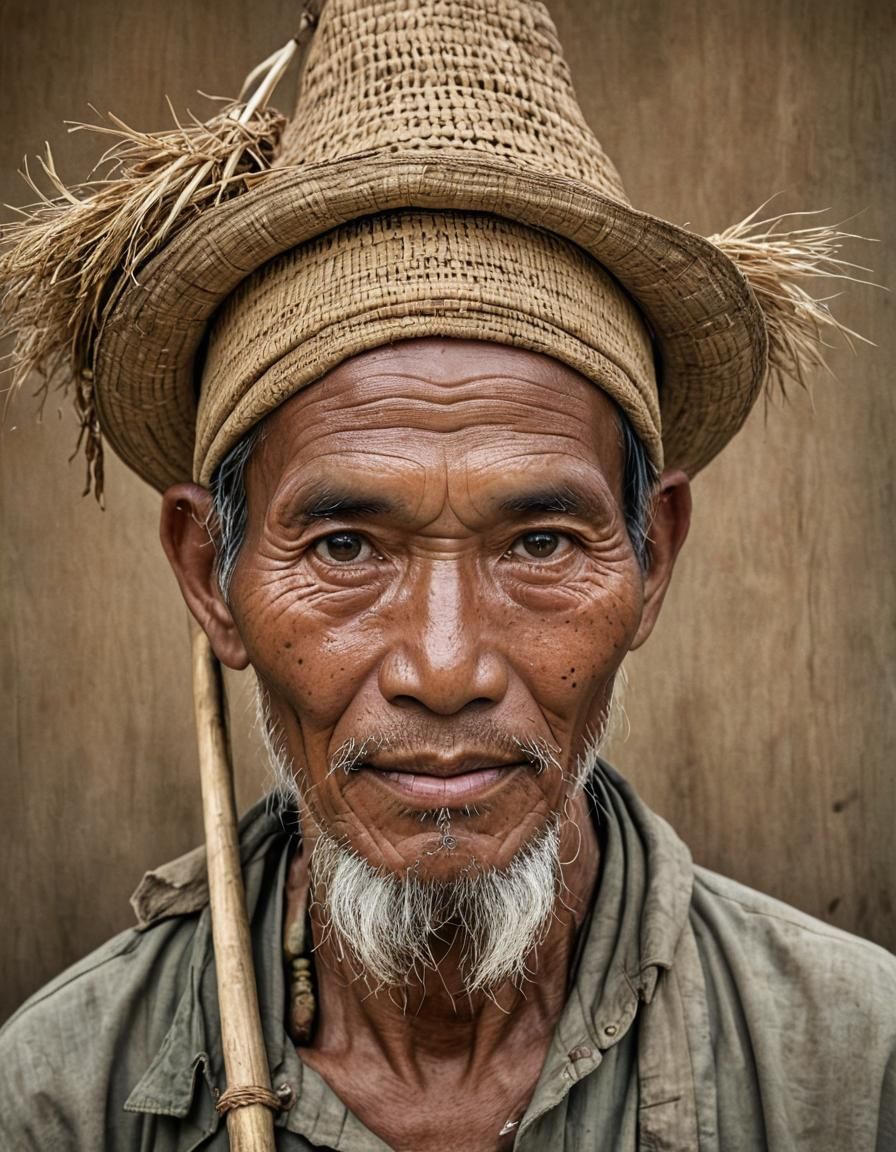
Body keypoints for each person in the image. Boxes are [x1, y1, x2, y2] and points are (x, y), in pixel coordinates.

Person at [0, 1, 893, 1149]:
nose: (444, 665)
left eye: (537, 543)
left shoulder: (852, 1070)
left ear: (652, 553)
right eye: (342, 547)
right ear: (210, 576)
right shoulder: (54, 1102)